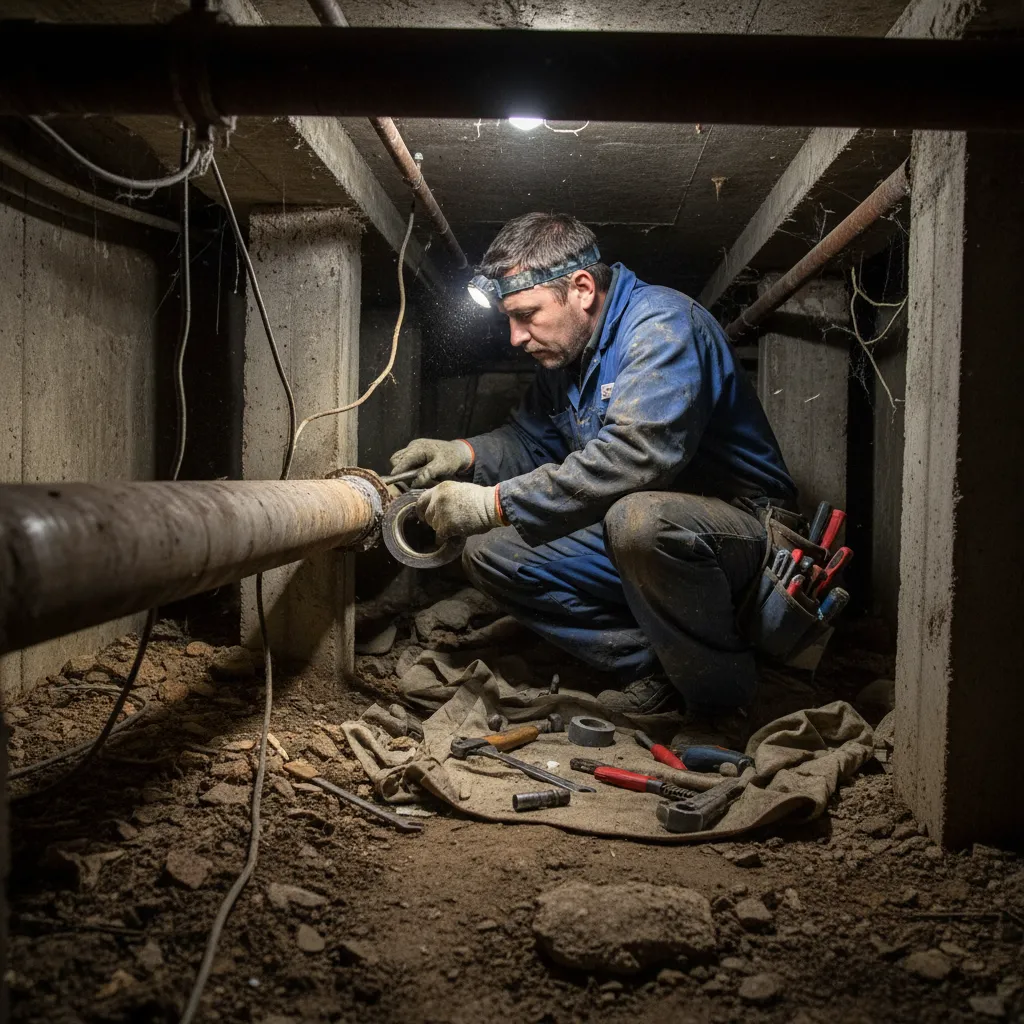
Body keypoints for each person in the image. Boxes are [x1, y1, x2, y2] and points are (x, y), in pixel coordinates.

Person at [389, 212, 796, 716]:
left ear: (582, 287)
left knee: (641, 521)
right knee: (491, 551)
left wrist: (494, 502)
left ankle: (721, 701)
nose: (516, 336)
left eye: (527, 314)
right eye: (509, 320)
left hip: (735, 533)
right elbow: (529, 438)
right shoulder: (570, 355)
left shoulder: (661, 325)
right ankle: (658, 665)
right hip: (640, 533)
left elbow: (637, 455)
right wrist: (462, 454)